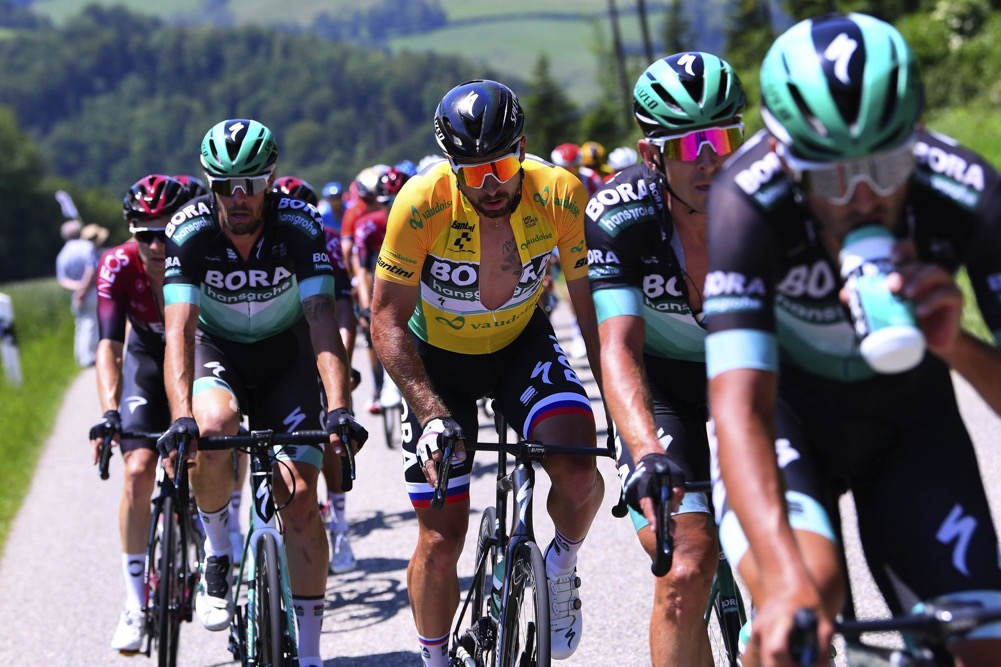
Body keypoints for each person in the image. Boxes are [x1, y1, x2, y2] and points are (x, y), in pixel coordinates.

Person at [704, 13, 1001, 666]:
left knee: (985, 644)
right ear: (783, 156)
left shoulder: (968, 190)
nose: (863, 197)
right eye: (832, 177)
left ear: (916, 135)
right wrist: (784, 583)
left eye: (886, 166)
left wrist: (956, 345)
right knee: (799, 617)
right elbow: (738, 406)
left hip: (911, 423)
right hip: (785, 419)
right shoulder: (746, 201)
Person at [370, 79, 605, 665]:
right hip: (437, 365)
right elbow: (386, 320)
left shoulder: (560, 193)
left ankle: (560, 567)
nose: (491, 184)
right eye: (474, 173)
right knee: (440, 537)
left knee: (579, 467)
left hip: (520, 346)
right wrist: (429, 413)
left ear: (522, 147)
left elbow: (593, 313)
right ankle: (434, 659)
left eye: (502, 165)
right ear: (452, 167)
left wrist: (628, 417)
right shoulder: (420, 202)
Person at [158, 119, 367, 667]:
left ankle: (312, 654)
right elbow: (179, 328)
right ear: (211, 185)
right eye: (226, 186)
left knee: (300, 504)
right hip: (217, 349)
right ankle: (218, 552)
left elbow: (320, 315)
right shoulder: (189, 230)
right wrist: (180, 417)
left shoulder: (299, 223)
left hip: (286, 355)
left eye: (250, 184)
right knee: (212, 427)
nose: (239, 197)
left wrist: (338, 408)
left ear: (270, 180)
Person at [586, 52, 747, 666]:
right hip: (663, 390)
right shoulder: (620, 215)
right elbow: (618, 348)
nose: (709, 159)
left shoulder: (770, 198)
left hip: (747, 375)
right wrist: (647, 450)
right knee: (684, 569)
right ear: (651, 154)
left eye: (722, 139)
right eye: (687, 145)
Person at [88, 174, 190, 653]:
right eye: (144, 233)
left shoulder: (199, 255)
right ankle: (134, 602)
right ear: (131, 231)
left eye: (164, 233)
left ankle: (224, 532)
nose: (155, 245)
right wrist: (109, 412)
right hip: (147, 359)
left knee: (208, 446)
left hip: (196, 354)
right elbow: (108, 345)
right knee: (137, 469)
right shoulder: (117, 264)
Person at [272, 174, 360, 575]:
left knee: (330, 433)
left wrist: (342, 362)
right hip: (279, 346)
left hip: (320, 341)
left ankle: (339, 522)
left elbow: (343, 310)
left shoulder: (324, 239)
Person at [353, 167, 408, 416]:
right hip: (380, 282)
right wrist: (366, 306)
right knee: (374, 327)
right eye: (388, 203)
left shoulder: (427, 217)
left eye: (399, 201)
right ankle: (380, 385)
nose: (394, 207)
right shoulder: (369, 225)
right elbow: (363, 269)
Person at [56, 219, 107, 367]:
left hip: (76, 293)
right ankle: (89, 357)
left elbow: (62, 280)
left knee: (80, 325)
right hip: (91, 291)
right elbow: (91, 270)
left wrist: (78, 289)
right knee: (91, 323)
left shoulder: (62, 254)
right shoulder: (87, 247)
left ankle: (81, 356)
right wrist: (83, 290)